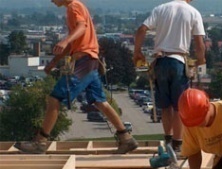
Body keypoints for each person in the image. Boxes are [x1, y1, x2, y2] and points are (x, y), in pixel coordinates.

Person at [14, 0, 138, 154]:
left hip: (84, 61)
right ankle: (126, 139)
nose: (51, 0)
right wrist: (53, 62)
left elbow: (81, 27)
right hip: (91, 61)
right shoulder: (76, 7)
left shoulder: (74, 6)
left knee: (55, 99)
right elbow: (74, 43)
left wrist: (65, 39)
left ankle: (40, 142)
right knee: (101, 102)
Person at [133, 0, 206, 153]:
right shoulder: (193, 12)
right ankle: (177, 144)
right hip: (178, 62)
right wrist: (201, 59)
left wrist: (137, 51)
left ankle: (168, 141)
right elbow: (199, 43)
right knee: (180, 107)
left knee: (165, 107)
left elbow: (141, 29)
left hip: (160, 62)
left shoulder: (161, 9)